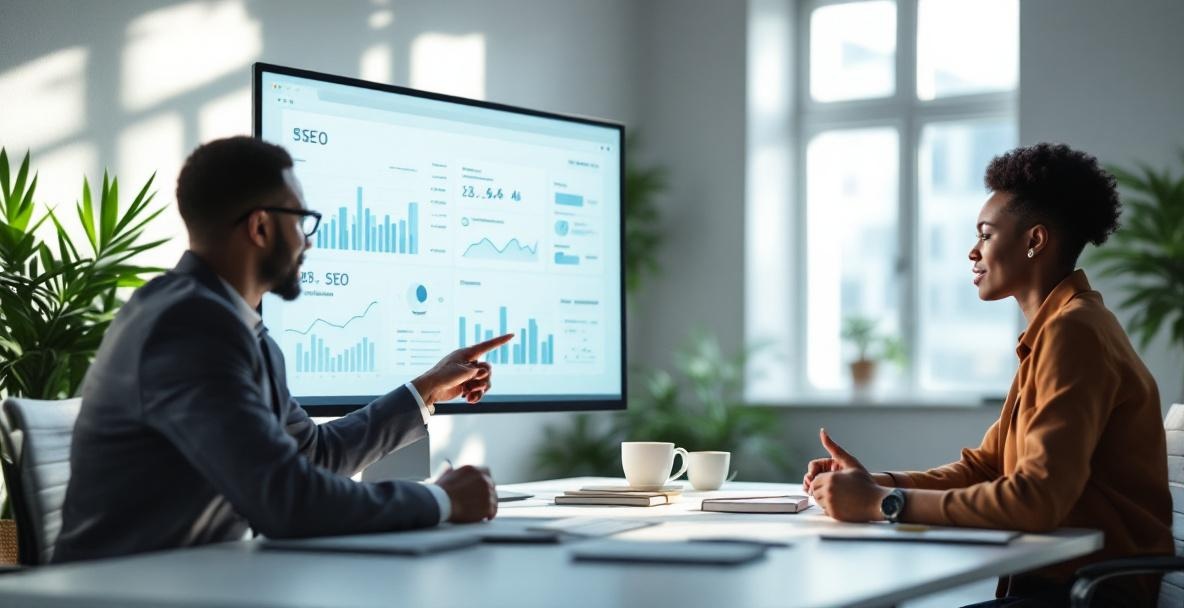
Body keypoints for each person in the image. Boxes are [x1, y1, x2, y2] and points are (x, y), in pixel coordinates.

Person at [54, 136, 511, 563]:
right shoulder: (188, 325)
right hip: (124, 591)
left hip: (194, 580)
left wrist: (426, 390)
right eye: (300, 221)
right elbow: (287, 501)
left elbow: (312, 455)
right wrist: (443, 500)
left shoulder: (234, 327)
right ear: (260, 227)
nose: (307, 241)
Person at [802, 143, 1173, 606]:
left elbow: (1036, 500)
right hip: (1061, 583)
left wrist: (881, 504)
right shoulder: (1057, 329)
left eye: (986, 234)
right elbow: (986, 466)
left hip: (1089, 594)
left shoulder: (1073, 332)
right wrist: (878, 484)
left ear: (1035, 241)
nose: (972, 251)